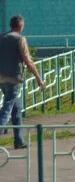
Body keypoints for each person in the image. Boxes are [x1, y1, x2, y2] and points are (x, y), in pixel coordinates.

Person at [0, 15, 45, 149]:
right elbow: (28, 60)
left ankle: (19, 140)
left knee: (16, 108)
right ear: (21, 26)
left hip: (1, 79)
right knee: (8, 106)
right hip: (13, 78)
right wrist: (39, 78)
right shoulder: (20, 39)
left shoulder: (2, 37)